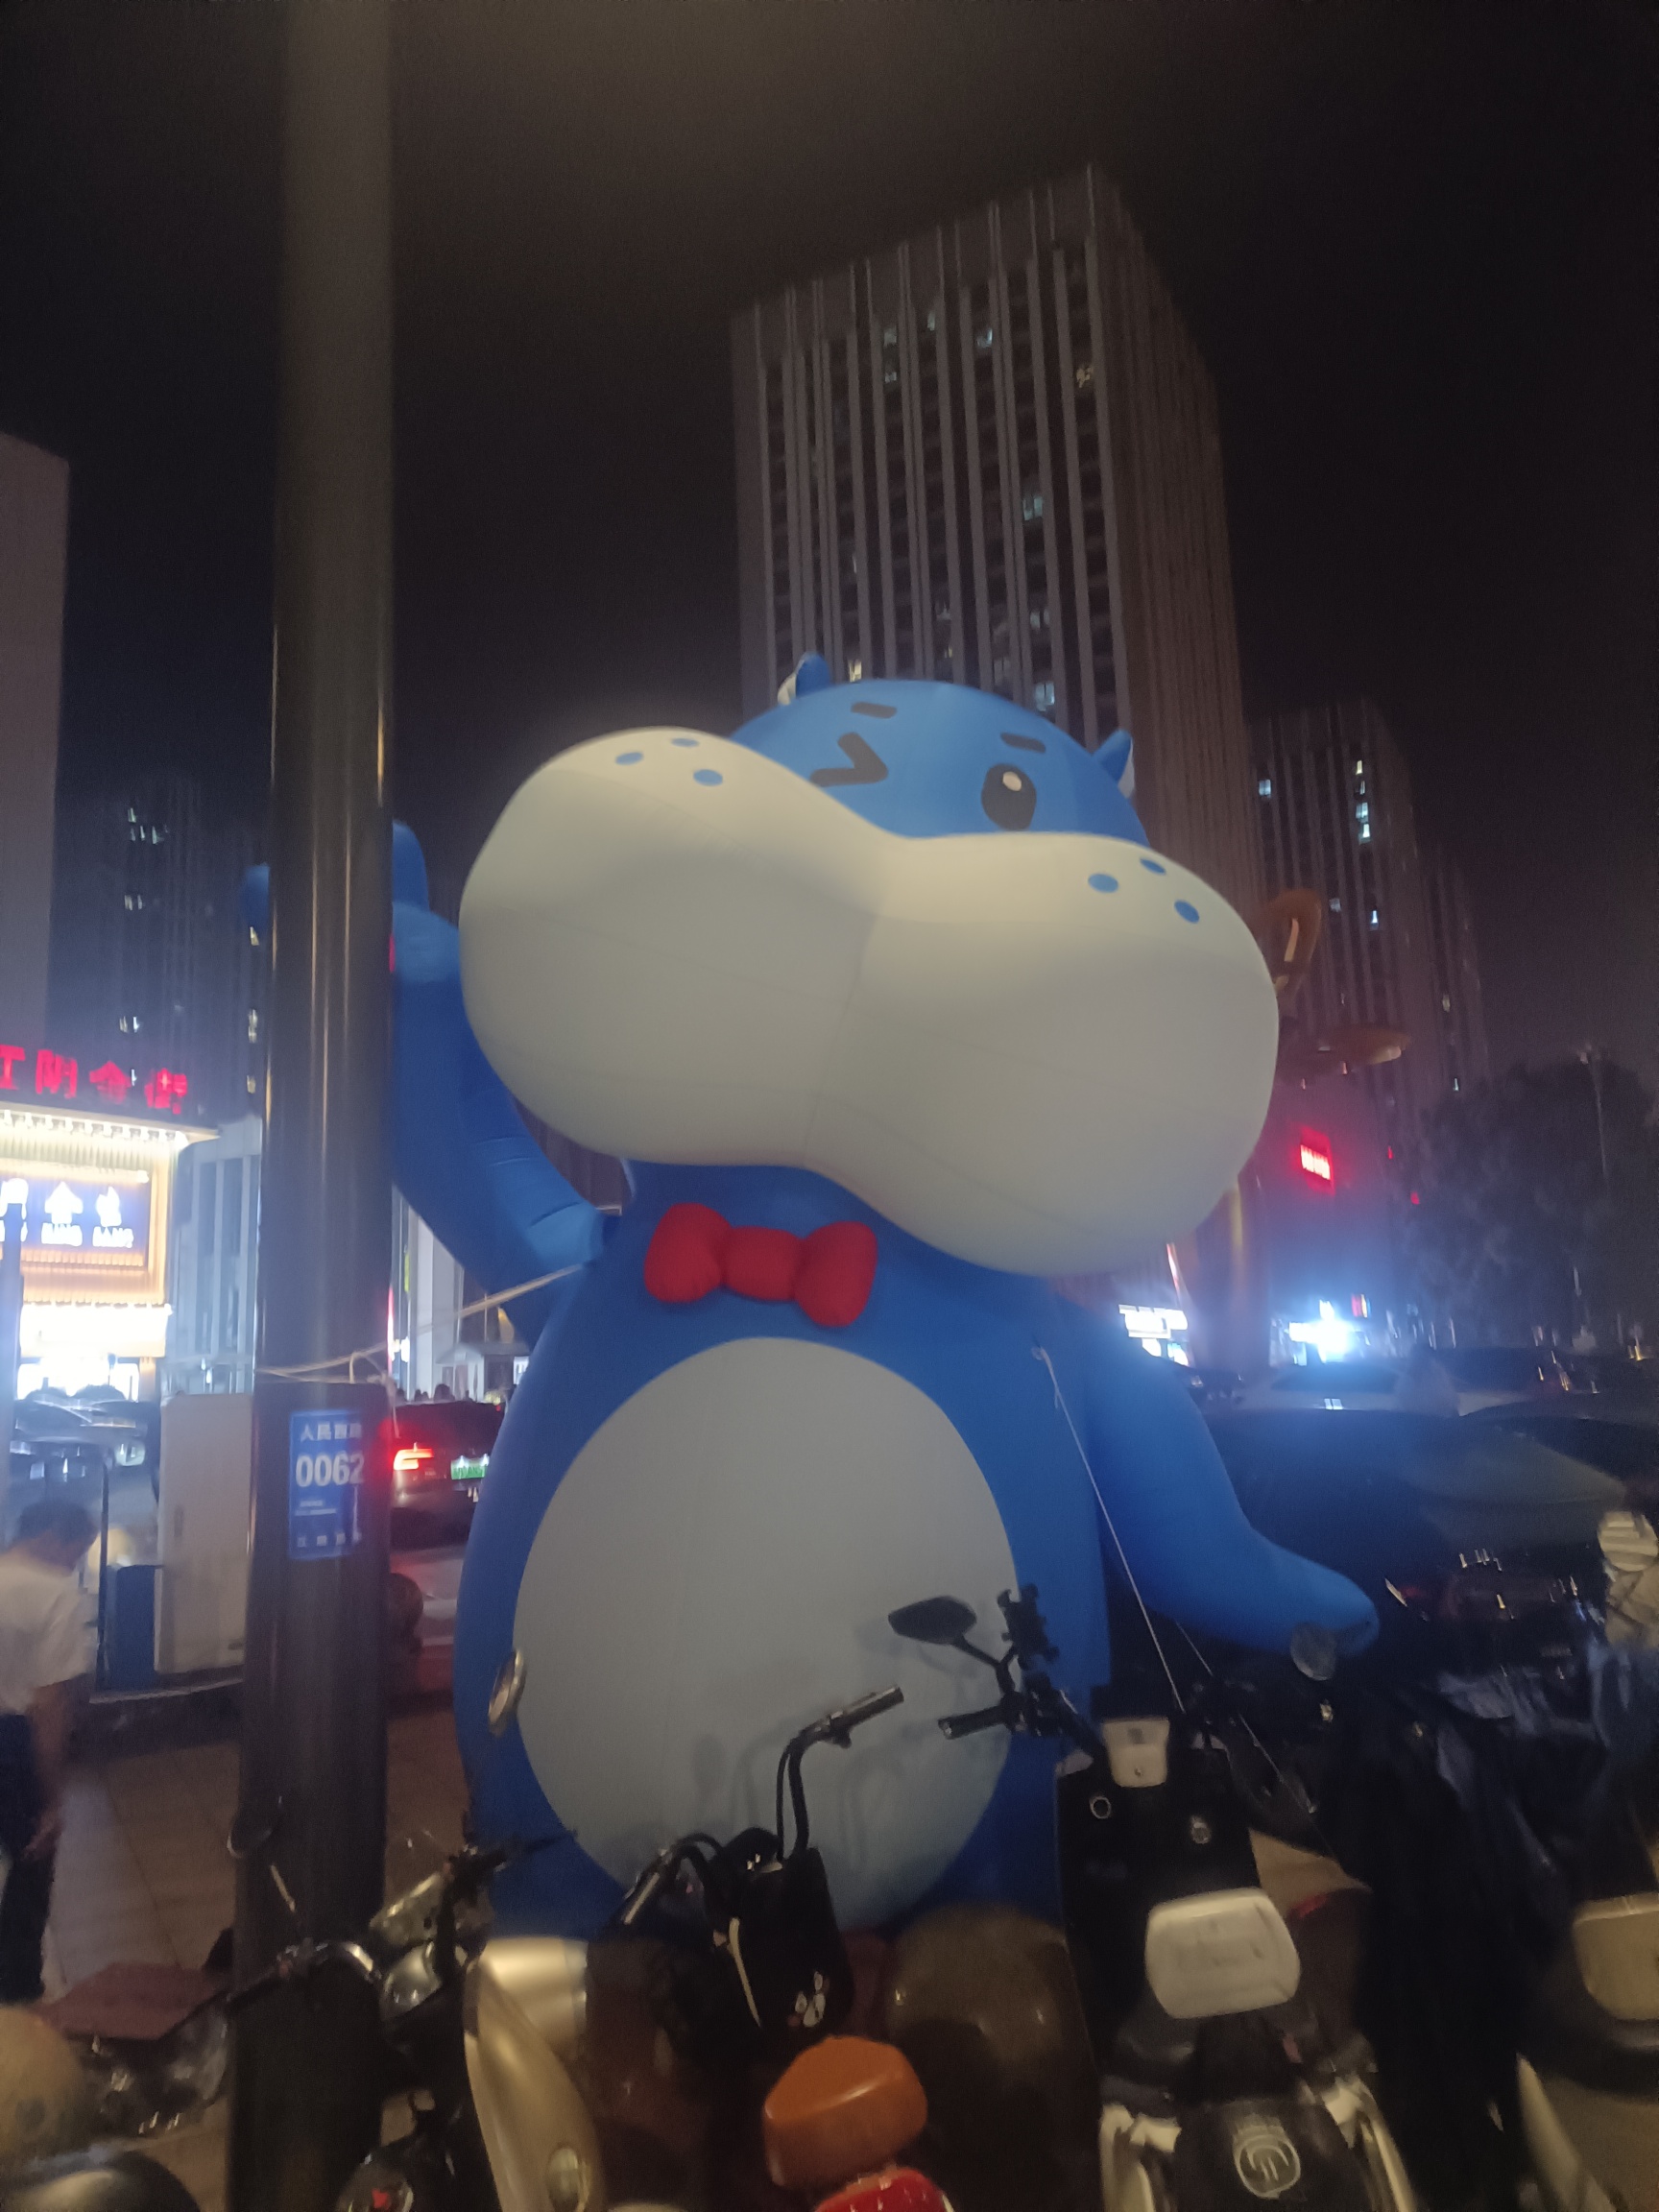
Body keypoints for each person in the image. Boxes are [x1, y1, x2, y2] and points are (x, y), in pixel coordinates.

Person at [0, 1498, 95, 2003]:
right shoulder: (55, 1594)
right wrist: (53, 1800)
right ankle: (16, 1997)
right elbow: (48, 1705)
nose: (73, 1565)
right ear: (53, 1537)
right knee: (32, 1862)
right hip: (12, 1743)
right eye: (76, 1552)